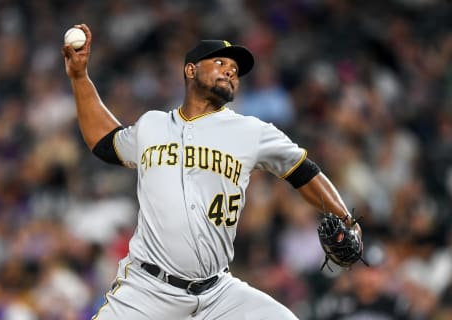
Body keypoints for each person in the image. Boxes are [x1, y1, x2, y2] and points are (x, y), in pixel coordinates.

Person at [62, 23, 357, 320]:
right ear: (190, 70)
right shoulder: (152, 124)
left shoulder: (251, 131)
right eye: (220, 62)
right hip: (147, 291)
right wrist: (79, 77)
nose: (230, 71)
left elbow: (304, 172)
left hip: (218, 293)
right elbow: (104, 142)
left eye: (234, 69)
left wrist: (347, 220)